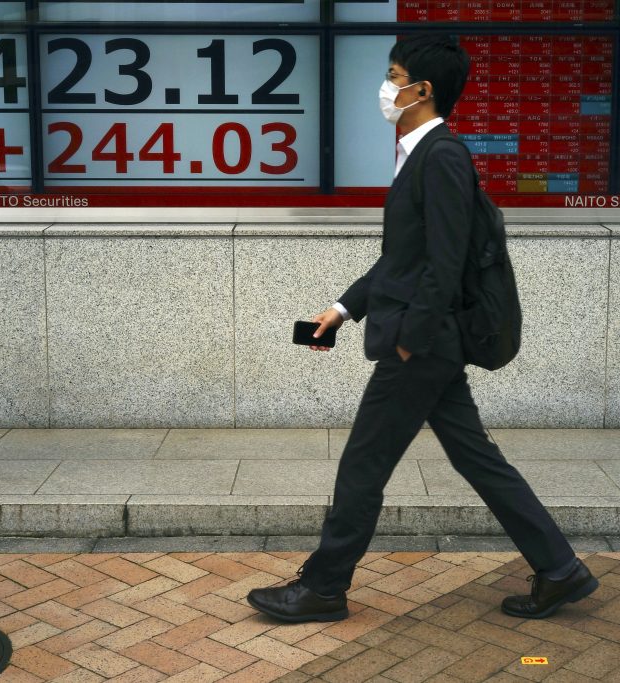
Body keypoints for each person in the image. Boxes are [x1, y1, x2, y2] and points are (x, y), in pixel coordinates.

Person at [247, 34, 597, 623]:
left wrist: (410, 339)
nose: (385, 87)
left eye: (393, 74)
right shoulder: (421, 155)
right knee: (477, 459)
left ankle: (325, 588)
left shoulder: (442, 157)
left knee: (363, 462)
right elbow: (403, 258)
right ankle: (560, 570)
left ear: (421, 90)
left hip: (422, 345)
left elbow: (446, 259)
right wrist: (342, 308)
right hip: (428, 341)